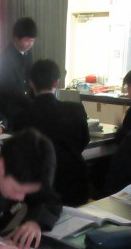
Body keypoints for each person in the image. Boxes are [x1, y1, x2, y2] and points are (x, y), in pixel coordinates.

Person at [13, 59, 90, 206]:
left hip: (39, 190)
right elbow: (84, 141)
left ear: (31, 83)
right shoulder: (75, 110)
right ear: (56, 83)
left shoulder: (21, 117)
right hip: (74, 185)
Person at [0, 17, 37, 124]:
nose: (30, 44)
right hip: (8, 109)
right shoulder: (5, 57)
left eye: (32, 41)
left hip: (23, 107)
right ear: (16, 38)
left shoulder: (28, 54)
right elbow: (8, 88)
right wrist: (30, 103)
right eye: (27, 40)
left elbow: (30, 78)